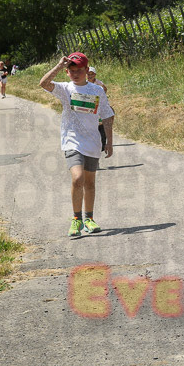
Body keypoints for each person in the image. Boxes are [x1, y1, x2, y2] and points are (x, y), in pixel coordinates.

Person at [39, 52, 114, 237]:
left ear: (87, 70)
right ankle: (76, 219)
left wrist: (109, 142)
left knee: (89, 183)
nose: (75, 73)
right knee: (77, 178)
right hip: (71, 140)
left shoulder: (97, 91)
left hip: (93, 141)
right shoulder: (65, 89)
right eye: (71, 70)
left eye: (79, 70)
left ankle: (89, 218)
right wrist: (58, 66)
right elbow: (44, 84)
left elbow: (107, 114)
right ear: (67, 72)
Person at [86, 66, 109, 153]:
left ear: (95, 75)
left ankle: (101, 143)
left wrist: (102, 95)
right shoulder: (85, 83)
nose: (90, 76)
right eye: (88, 74)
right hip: (88, 104)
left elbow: (105, 88)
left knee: (100, 123)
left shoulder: (98, 82)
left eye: (91, 74)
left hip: (97, 103)